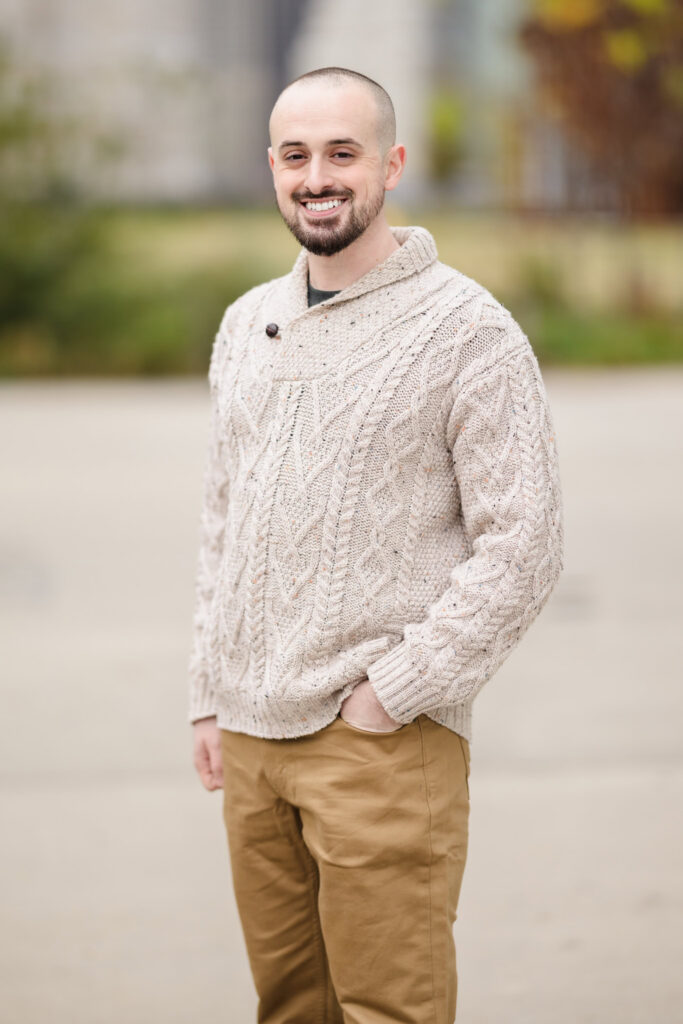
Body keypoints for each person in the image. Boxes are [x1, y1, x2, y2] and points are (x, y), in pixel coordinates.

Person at [188, 66, 564, 1024]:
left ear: (391, 164)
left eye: (342, 154)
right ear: (271, 167)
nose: (318, 177)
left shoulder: (466, 332)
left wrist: (391, 696)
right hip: (251, 735)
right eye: (296, 155)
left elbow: (523, 546)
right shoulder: (245, 325)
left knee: (389, 1012)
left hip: (378, 743)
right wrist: (208, 691)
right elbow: (225, 520)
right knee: (288, 1009)